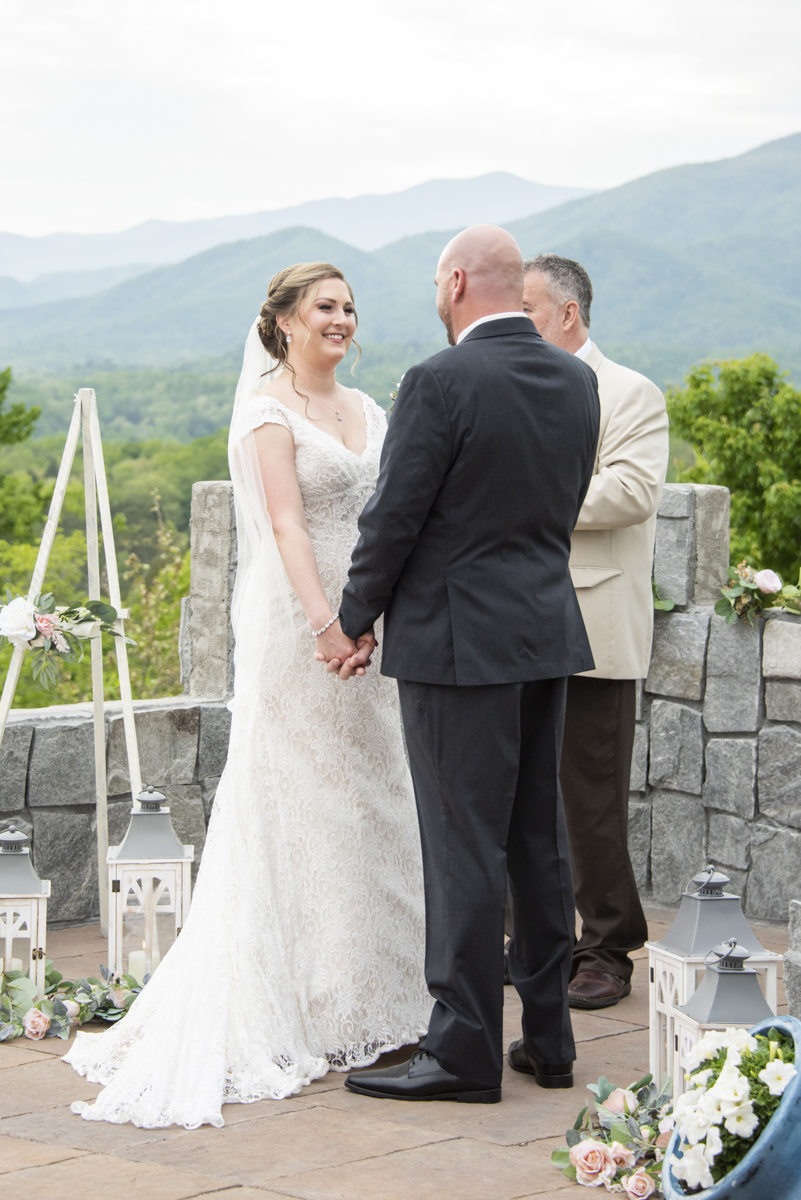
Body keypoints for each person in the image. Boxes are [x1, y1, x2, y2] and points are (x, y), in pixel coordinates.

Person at [64, 262, 431, 1128]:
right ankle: (318, 1003)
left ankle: (387, 998)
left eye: (349, 307)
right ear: (285, 322)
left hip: (372, 624)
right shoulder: (268, 411)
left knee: (378, 798)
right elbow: (287, 523)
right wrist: (326, 622)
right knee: (307, 805)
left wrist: (373, 613)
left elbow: (385, 514)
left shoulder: (368, 410)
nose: (342, 320)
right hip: (302, 624)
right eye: (325, 308)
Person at [319, 226, 600, 1103]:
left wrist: (351, 619)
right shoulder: (575, 378)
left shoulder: (438, 381)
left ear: (452, 284)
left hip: (454, 644)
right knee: (537, 842)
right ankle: (549, 1043)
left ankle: (466, 1050)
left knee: (461, 849)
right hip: (544, 633)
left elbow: (394, 517)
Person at [521, 254, 668, 1009]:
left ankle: (606, 949)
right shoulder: (512, 391)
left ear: (567, 313)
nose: (517, 324)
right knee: (520, 796)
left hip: (594, 624)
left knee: (589, 800)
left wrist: (525, 495)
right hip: (511, 624)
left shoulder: (629, 392)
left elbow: (632, 491)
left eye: (529, 310)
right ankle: (533, 938)